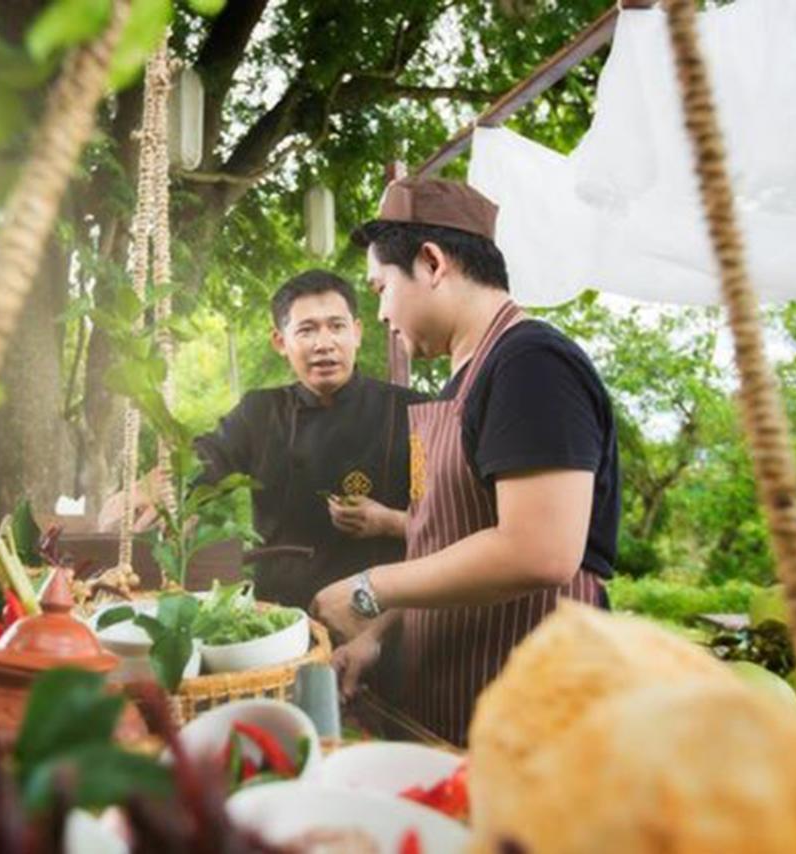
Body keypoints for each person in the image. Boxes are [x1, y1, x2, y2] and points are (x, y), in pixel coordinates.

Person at [310, 178, 620, 747]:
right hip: (457, 707)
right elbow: (450, 544)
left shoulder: (531, 363)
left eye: (382, 287)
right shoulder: (465, 382)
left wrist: (369, 587)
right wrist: (378, 632)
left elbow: (540, 548)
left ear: (431, 263)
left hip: (533, 722)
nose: (380, 312)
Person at [100, 269, 425, 611]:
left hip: (379, 616)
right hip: (281, 615)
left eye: (337, 326)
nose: (324, 343)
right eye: (307, 330)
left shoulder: (408, 410)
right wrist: (151, 488)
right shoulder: (260, 411)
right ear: (280, 342)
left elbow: (453, 524)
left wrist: (389, 522)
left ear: (357, 332)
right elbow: (207, 458)